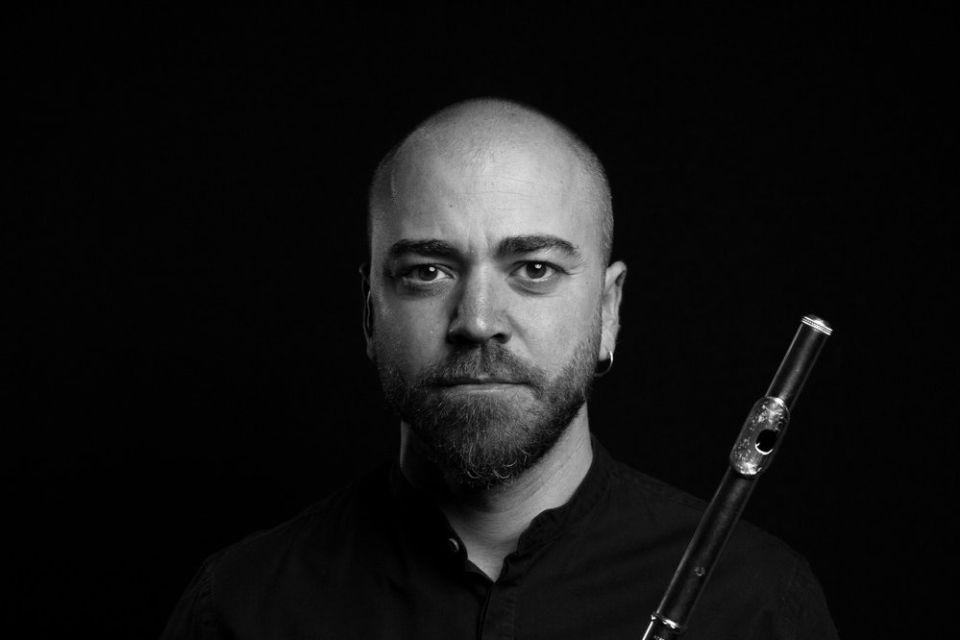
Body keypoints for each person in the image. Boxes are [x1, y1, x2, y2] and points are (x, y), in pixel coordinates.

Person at [161, 98, 838, 639]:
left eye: (534, 269)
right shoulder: (240, 608)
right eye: (427, 271)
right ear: (370, 315)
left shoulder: (756, 605)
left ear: (608, 312)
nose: (478, 319)